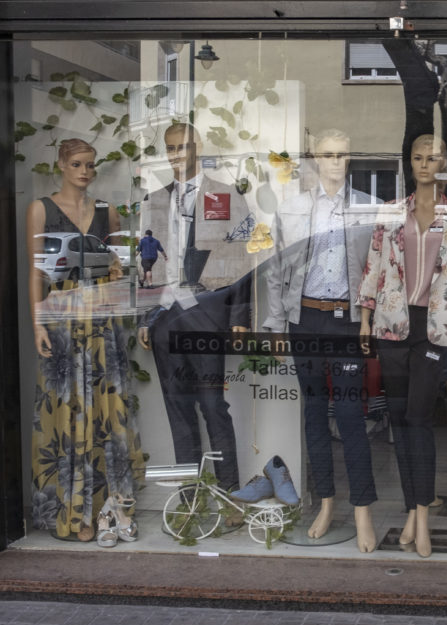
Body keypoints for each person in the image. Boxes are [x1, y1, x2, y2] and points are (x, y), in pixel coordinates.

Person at [261, 129, 377, 549]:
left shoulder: (368, 208)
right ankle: (326, 503)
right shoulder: (291, 209)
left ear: (350, 159)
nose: (334, 161)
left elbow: (375, 272)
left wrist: (367, 320)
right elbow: (275, 269)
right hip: (304, 319)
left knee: (349, 417)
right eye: (327, 154)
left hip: (347, 322)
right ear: (315, 158)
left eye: (342, 155)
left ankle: (363, 510)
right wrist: (276, 325)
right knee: (313, 414)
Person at [359, 134, 447, 558]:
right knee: (401, 421)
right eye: (418, 158)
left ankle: (422, 515)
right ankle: (411, 510)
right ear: (410, 163)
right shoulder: (390, 213)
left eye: (433, 159)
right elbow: (374, 266)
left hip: (434, 326)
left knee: (421, 420)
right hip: (391, 324)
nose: (425, 165)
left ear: (444, 164)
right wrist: (366, 318)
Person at [26, 138, 145, 542]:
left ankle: (105, 507)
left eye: (91, 165)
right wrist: (38, 323)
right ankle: (74, 512)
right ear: (61, 164)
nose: (85, 171)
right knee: (68, 409)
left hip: (100, 319)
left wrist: (117, 274)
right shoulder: (40, 209)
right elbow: (36, 272)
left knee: (105, 411)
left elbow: (115, 265)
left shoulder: (105, 212)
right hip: (60, 317)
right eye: (77, 164)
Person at [137, 122, 257, 493]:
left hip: (207, 314)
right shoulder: (154, 200)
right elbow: (145, 262)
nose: (177, 155)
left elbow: (242, 258)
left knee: (212, 406)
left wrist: (239, 318)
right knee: (178, 408)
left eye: (184, 146)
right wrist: (145, 316)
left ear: (197, 147)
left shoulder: (225, 196)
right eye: (171, 148)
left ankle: (229, 490)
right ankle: (191, 496)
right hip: (166, 316)